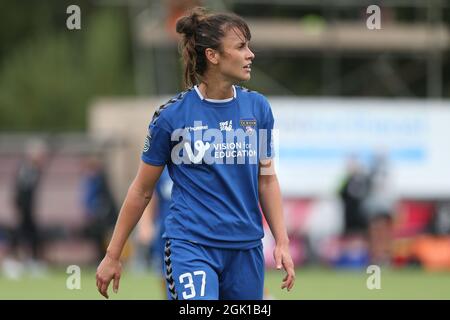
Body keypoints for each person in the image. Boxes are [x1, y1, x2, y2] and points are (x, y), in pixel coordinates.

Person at [96, 7, 295, 300]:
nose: (250, 54)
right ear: (213, 56)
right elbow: (141, 190)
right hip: (190, 245)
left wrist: (282, 241)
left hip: (246, 249)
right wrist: (113, 255)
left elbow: (266, 180)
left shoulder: (259, 109)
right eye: (241, 47)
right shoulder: (171, 117)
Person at [135, 167, 173, 297]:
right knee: (164, 275)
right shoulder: (161, 167)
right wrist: (145, 224)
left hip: (189, 232)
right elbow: (149, 195)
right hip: (165, 232)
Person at [80, 155, 118, 263]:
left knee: (103, 238)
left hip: (103, 216)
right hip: (97, 216)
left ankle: (104, 258)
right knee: (98, 238)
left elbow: (103, 199)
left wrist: (97, 212)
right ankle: (100, 258)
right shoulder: (90, 180)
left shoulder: (99, 180)